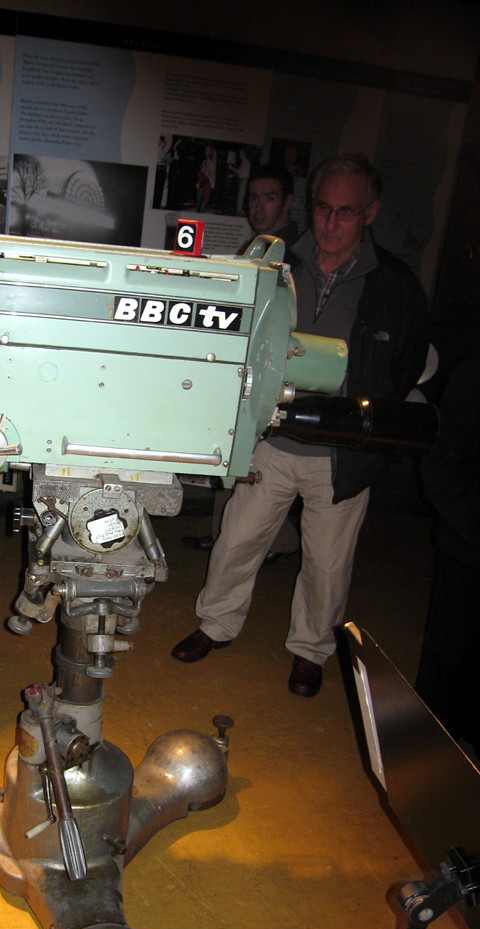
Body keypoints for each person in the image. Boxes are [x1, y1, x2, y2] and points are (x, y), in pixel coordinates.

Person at [172, 153, 429, 697]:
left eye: (345, 212)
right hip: (274, 436)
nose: (330, 224)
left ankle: (311, 651)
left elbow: (404, 366)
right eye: (322, 209)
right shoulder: (276, 261)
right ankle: (216, 624)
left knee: (327, 565)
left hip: (341, 453)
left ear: (370, 213)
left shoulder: (395, 285)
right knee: (237, 540)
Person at [183, 162, 301, 557]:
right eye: (253, 198)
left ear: (287, 202)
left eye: (269, 198)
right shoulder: (259, 252)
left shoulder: (290, 261)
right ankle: (224, 535)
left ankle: (271, 544)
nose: (259, 207)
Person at [415, 348, 480, 756]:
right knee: (450, 662)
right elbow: (441, 465)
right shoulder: (473, 376)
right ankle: (431, 759)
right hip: (470, 550)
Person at [195, 144, 217, 213]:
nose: (207, 153)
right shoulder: (204, 162)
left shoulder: (212, 163)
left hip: (206, 183)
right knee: (198, 199)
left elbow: (209, 174)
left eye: (208, 151)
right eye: (206, 151)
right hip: (201, 181)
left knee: (204, 200)